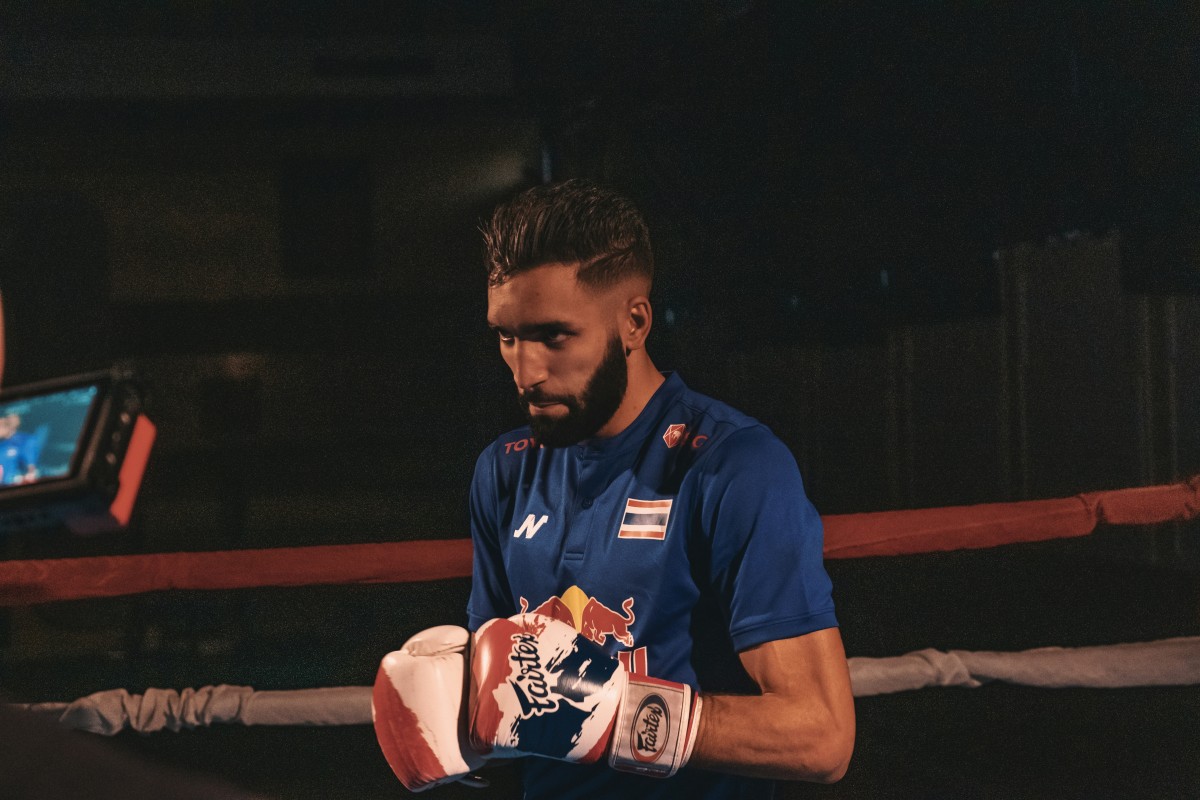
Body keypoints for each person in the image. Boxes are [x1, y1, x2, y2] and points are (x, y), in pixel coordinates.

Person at [373, 180, 855, 798]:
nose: (527, 371)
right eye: (507, 336)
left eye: (554, 336)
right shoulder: (504, 472)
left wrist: (620, 715)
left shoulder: (733, 467)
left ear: (634, 321)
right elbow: (511, 708)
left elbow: (821, 736)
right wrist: (454, 734)